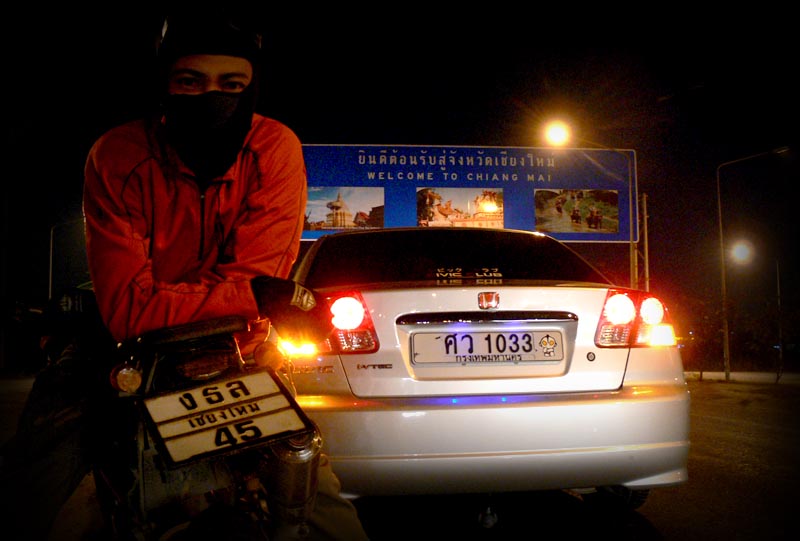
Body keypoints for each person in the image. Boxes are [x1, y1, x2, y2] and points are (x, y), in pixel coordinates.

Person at [0, 8, 369, 541]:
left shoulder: (273, 149)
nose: (211, 97)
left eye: (231, 84)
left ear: (251, 87)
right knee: (29, 483)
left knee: (316, 496)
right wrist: (250, 295)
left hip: (238, 350)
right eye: (190, 82)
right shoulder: (117, 155)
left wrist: (208, 297)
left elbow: (254, 277)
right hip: (121, 352)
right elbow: (130, 311)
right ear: (163, 84)